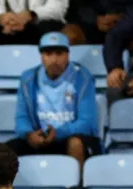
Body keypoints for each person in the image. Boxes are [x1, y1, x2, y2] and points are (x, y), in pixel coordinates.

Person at [8, 32, 100, 170]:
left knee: (75, 143)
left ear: (68, 55)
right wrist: (29, 134)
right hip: (40, 138)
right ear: (42, 57)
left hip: (70, 137)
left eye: (59, 53)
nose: (54, 59)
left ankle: (78, 188)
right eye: (48, 54)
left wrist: (58, 133)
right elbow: (21, 117)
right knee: (6, 151)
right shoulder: (28, 78)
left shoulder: (83, 78)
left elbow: (87, 123)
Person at [0, 0, 67, 52]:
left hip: (40, 22)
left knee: (49, 31)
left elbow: (58, 9)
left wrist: (31, 15)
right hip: (9, 26)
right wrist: (3, 18)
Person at [61, 0, 133, 45]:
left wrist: (122, 17)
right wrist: (95, 19)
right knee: (68, 37)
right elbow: (76, 6)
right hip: (89, 25)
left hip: (126, 23)